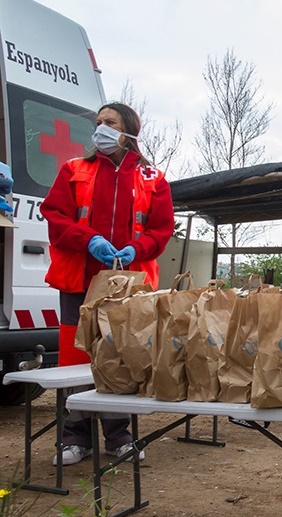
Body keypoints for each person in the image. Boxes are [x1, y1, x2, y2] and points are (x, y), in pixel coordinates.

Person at [40, 102, 174, 466]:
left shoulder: (153, 178)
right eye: (98, 123)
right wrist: (89, 241)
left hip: (127, 286)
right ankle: (74, 438)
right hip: (78, 281)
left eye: (109, 122)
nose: (100, 128)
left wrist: (137, 248)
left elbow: (161, 230)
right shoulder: (74, 170)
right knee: (75, 358)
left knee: (121, 356)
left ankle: (119, 437)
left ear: (128, 129)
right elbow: (54, 215)